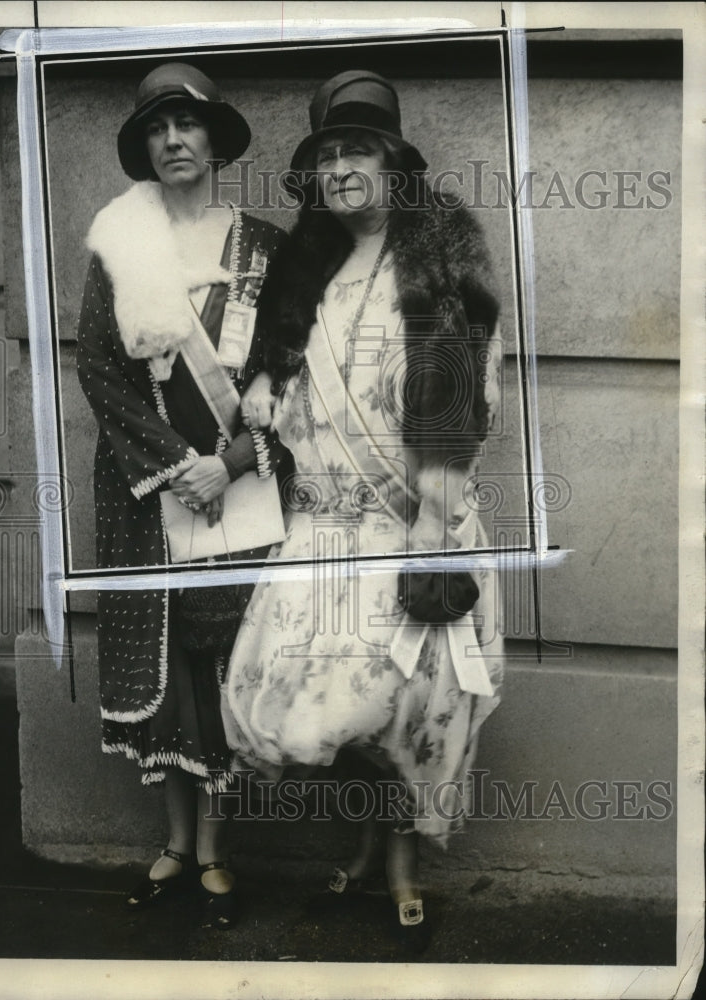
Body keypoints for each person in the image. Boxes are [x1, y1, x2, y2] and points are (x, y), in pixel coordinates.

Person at [222, 70, 504, 951]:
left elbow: (467, 397)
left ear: (395, 165)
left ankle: (400, 866)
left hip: (413, 521)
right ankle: (365, 838)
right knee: (321, 714)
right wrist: (265, 381)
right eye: (327, 155)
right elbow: (273, 367)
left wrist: (433, 525)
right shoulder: (303, 262)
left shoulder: (443, 254)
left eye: (360, 151)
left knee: (412, 710)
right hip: (322, 530)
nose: (342, 168)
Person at [76, 62, 286, 928]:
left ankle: (217, 852)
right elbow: (97, 367)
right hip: (142, 486)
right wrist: (176, 462)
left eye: (187, 126)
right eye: (158, 129)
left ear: (214, 139)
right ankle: (172, 845)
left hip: (239, 484)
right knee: (162, 664)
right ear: (144, 147)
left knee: (221, 657)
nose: (174, 141)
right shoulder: (117, 246)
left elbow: (291, 374)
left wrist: (228, 463)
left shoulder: (267, 248)